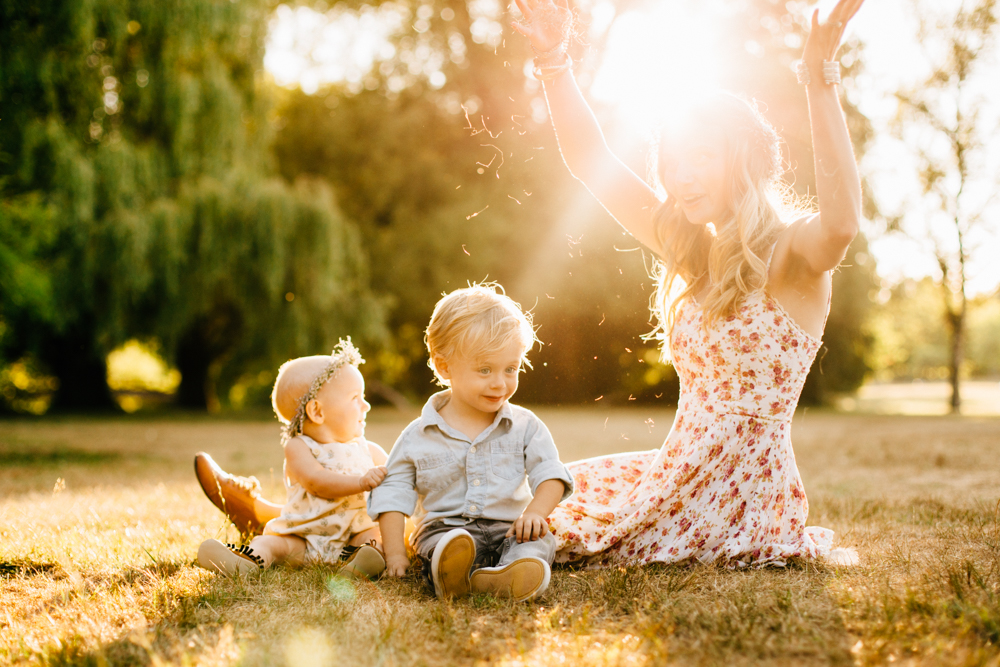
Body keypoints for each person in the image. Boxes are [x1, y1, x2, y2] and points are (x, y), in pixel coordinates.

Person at [507, 0, 865, 566]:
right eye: (673, 160)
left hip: (744, 492)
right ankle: (408, 539)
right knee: (544, 498)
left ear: (743, 160)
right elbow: (589, 158)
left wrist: (819, 78)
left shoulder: (792, 253)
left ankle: (499, 564)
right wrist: (554, 58)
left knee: (572, 532)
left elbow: (844, 223)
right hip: (678, 467)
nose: (683, 174)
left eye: (702, 156)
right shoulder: (693, 249)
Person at [369, 284, 574, 601]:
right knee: (448, 546)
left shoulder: (525, 426)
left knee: (538, 541)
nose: (500, 382)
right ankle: (455, 576)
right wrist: (395, 554)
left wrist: (534, 514)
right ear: (444, 366)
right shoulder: (417, 435)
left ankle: (513, 573)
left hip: (510, 530)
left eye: (510, 369)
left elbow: (550, 475)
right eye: (485, 370)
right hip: (447, 530)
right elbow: (392, 495)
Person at [196, 339, 389, 578]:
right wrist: (361, 482)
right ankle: (248, 560)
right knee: (273, 543)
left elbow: (398, 478)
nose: (366, 405)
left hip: (353, 534)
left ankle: (359, 561)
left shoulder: (369, 450)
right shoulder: (299, 447)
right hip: (303, 537)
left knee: (375, 535)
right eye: (355, 398)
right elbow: (316, 481)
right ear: (317, 412)